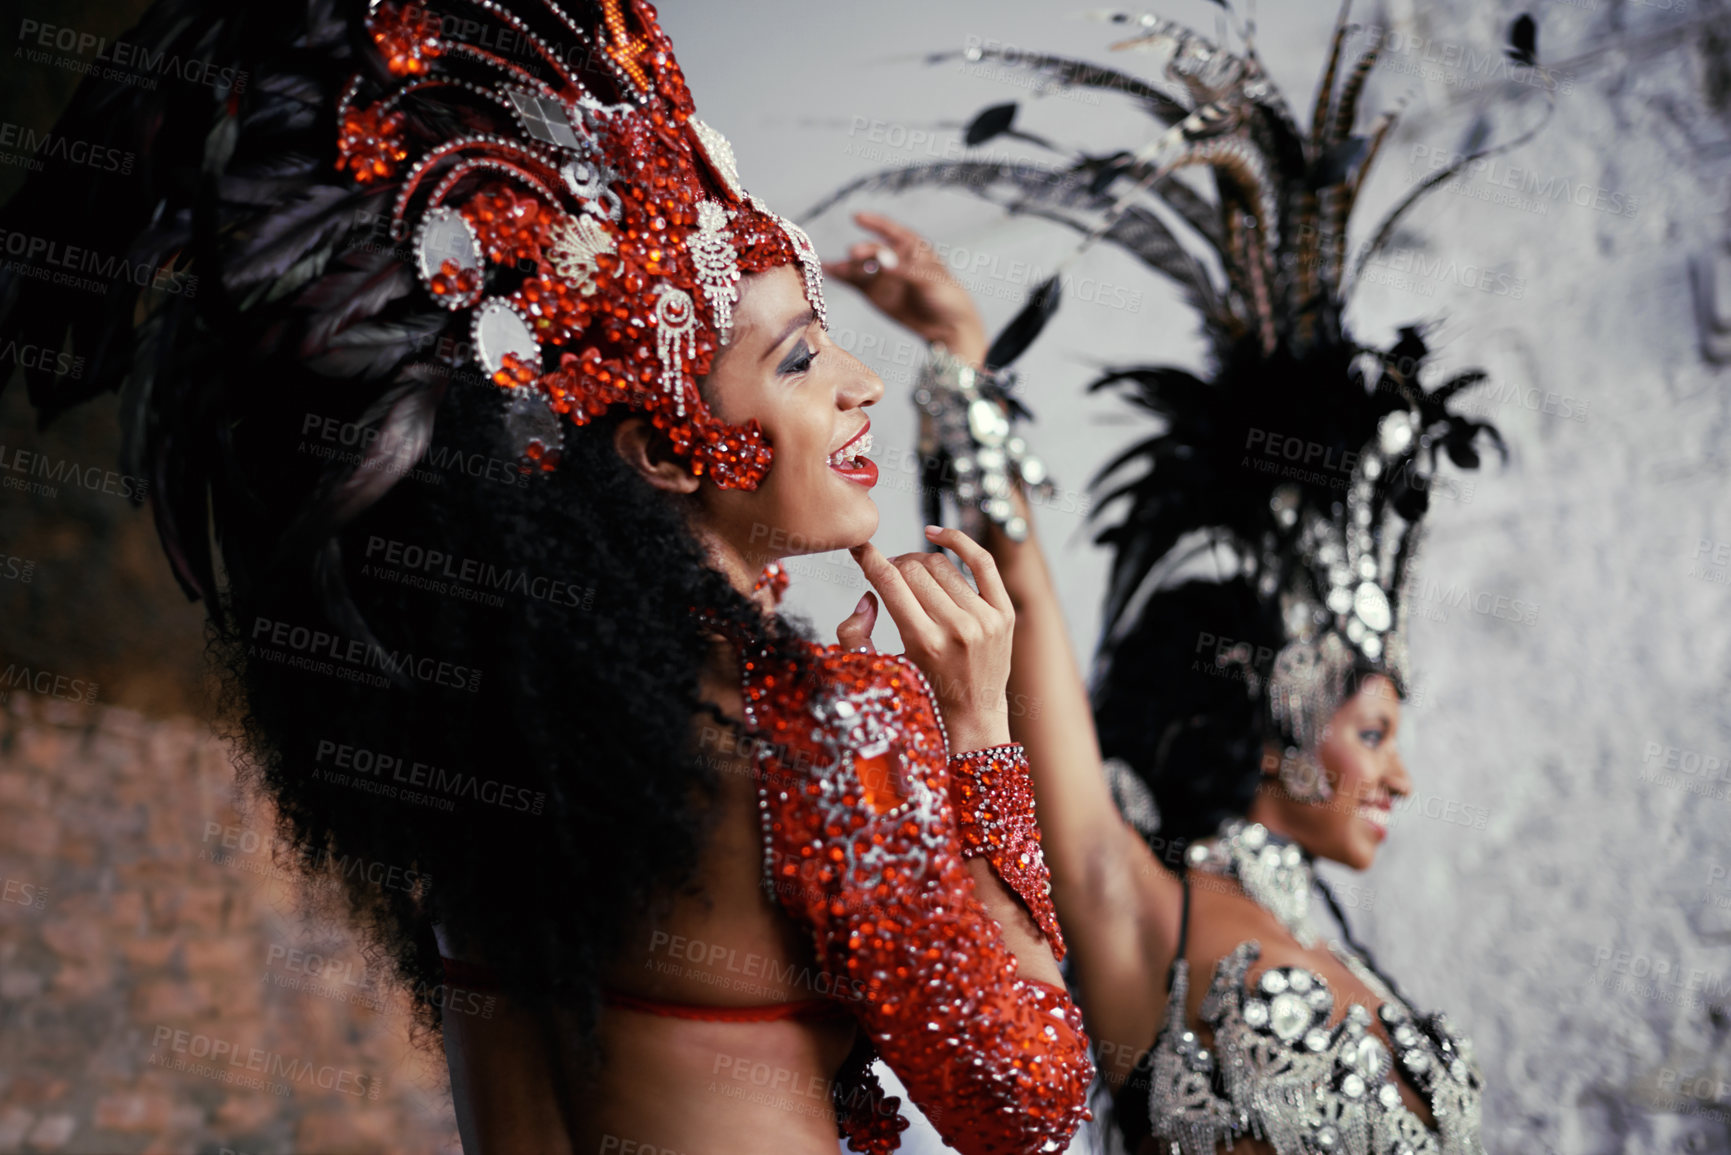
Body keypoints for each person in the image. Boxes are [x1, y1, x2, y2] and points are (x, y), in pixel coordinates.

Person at [0, 2, 1095, 1153]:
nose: (862, 382)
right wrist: (977, 740)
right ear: (667, 451)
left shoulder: (480, 724)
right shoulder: (824, 731)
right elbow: (1028, 1099)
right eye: (800, 357)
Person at [819, 7, 1541, 1153]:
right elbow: (1036, 623)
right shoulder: (1140, 906)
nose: (1399, 773)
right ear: (1280, 718)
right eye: (1378, 728)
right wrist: (961, 362)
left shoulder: (1334, 949)